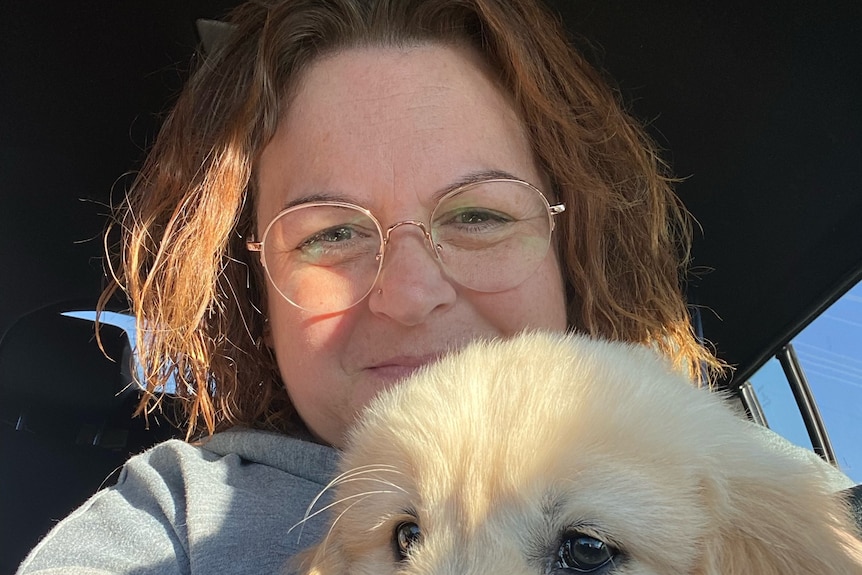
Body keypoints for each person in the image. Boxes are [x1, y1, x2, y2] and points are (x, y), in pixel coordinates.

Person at [16, 0, 851, 573]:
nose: (409, 294)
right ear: (256, 287)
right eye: (332, 232)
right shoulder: (170, 513)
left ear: (572, 240)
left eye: (478, 215)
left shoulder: (742, 472)